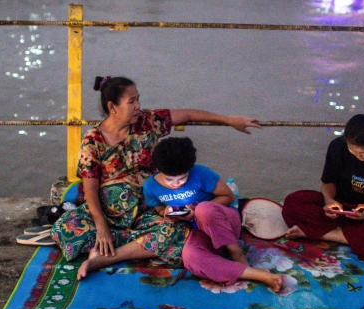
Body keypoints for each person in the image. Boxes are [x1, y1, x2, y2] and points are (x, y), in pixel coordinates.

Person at [51, 76, 261, 279]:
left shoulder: (147, 122)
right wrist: (102, 227)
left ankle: (107, 256)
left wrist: (230, 120)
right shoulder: (92, 141)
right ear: (112, 106)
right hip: (110, 212)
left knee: (178, 231)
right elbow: (90, 189)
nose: (138, 106)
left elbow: (187, 115)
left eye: (138, 99)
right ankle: (121, 242)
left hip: (147, 208)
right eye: (131, 101)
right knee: (65, 228)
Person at [144, 137, 286, 293]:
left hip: (224, 224)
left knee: (204, 210)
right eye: (169, 179)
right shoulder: (151, 186)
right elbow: (158, 209)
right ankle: (257, 275)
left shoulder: (201, 173)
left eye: (182, 178)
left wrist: (196, 212)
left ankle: (236, 253)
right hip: (199, 232)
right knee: (191, 258)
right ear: (158, 171)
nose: (176, 184)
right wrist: (167, 212)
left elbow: (228, 197)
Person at [281, 114, 364, 262]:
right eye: (353, 151)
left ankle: (317, 233)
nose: (358, 156)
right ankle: (351, 236)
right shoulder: (337, 147)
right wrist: (329, 200)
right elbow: (328, 182)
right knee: (294, 202)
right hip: (341, 207)